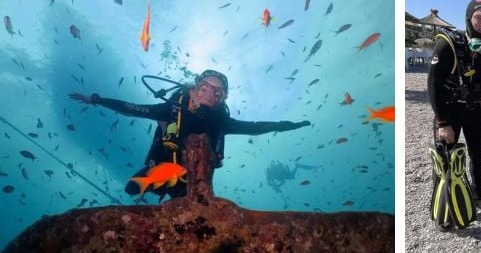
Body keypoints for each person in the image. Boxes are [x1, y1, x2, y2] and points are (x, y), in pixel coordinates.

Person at [69, 70, 311, 200]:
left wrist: (290, 124)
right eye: (205, 88)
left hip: (193, 181)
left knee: (186, 210)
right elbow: (132, 108)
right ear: (194, 90)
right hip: (163, 166)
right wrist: (96, 99)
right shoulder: (171, 109)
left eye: (218, 93)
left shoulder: (221, 120)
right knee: (132, 189)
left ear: (223, 99)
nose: (209, 95)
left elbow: (256, 127)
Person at [428, 0, 481, 215]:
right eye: (478, 18)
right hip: (450, 110)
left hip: (477, 111)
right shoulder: (449, 43)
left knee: (478, 155)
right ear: (468, 19)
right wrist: (442, 122)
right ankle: (441, 204)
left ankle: (478, 196)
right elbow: (433, 84)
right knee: (445, 157)